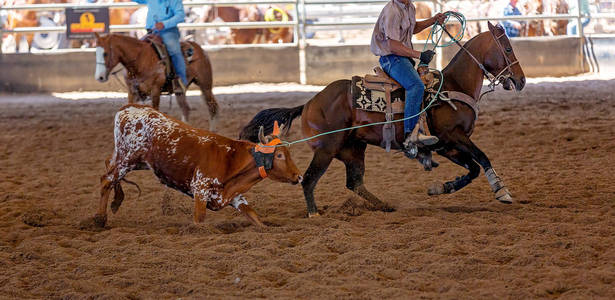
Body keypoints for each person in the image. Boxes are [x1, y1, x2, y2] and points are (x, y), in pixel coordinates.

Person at [370, 0, 445, 156]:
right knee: (416, 86)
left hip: (401, 57)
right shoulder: (392, 11)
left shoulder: (409, 6)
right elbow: (392, 46)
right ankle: (410, 135)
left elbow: (411, 28)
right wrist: (419, 55)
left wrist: (432, 20)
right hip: (391, 58)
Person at [133, 0, 187, 92]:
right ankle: (138, 79)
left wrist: (165, 24)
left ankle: (181, 81)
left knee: (174, 50)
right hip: (151, 31)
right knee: (137, 50)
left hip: (168, 31)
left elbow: (180, 16)